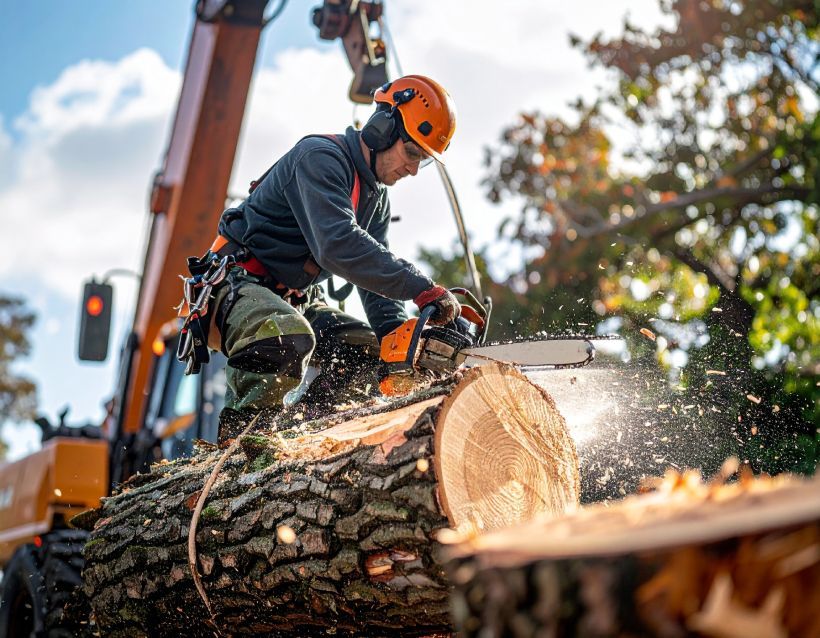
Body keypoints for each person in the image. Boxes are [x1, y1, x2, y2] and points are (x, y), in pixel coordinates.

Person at [204, 75, 462, 442]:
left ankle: (302, 436)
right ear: (382, 128)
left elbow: (374, 283)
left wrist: (398, 340)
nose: (413, 169)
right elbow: (338, 244)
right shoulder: (320, 158)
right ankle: (241, 447)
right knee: (286, 335)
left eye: (424, 160)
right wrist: (421, 287)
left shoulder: (376, 200)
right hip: (235, 285)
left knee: (366, 352)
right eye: (412, 153)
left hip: (291, 298)